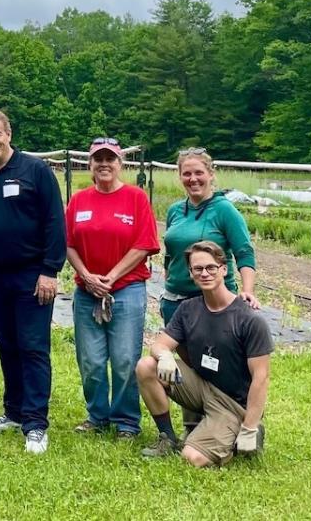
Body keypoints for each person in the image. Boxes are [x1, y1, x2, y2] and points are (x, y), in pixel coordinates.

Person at [0, 107, 65, 454]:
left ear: (9, 134)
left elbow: (54, 221)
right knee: (6, 344)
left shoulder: (35, 170)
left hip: (33, 274)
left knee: (33, 346)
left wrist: (50, 270)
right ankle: (15, 412)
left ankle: (36, 424)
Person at [136, 241, 272, 467]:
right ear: (190, 273)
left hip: (232, 403)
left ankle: (245, 432)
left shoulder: (249, 319)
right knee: (146, 366)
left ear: (224, 269)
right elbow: (159, 345)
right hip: (200, 386)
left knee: (193, 458)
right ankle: (168, 438)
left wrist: (248, 429)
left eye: (211, 267)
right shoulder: (189, 309)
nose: (205, 273)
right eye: (197, 269)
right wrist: (166, 356)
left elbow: (261, 378)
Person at [64, 137, 159, 439]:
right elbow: (67, 243)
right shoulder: (78, 201)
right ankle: (97, 416)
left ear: (121, 163)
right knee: (90, 359)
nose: (104, 164)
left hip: (126, 290)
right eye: (98, 159)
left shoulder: (136, 198)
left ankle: (126, 421)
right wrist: (87, 276)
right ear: (89, 164)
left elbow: (144, 244)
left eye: (110, 159)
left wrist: (111, 276)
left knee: (124, 359)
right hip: (87, 290)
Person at [162, 147, 260, 325]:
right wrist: (168, 279)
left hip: (213, 300)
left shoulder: (224, 209)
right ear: (180, 177)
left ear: (211, 174)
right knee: (180, 352)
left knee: (213, 352)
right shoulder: (175, 210)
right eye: (187, 174)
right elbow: (170, 254)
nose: (193, 179)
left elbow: (244, 252)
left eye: (199, 173)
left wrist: (248, 290)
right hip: (174, 299)